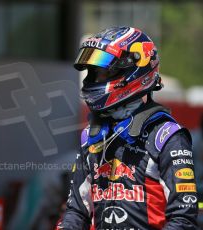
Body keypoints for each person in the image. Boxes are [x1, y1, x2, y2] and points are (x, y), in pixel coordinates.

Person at [56, 27, 198, 230]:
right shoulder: (91, 136)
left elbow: (182, 220)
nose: (94, 80)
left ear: (133, 71)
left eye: (103, 72)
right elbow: (76, 212)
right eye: (93, 73)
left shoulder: (167, 136)